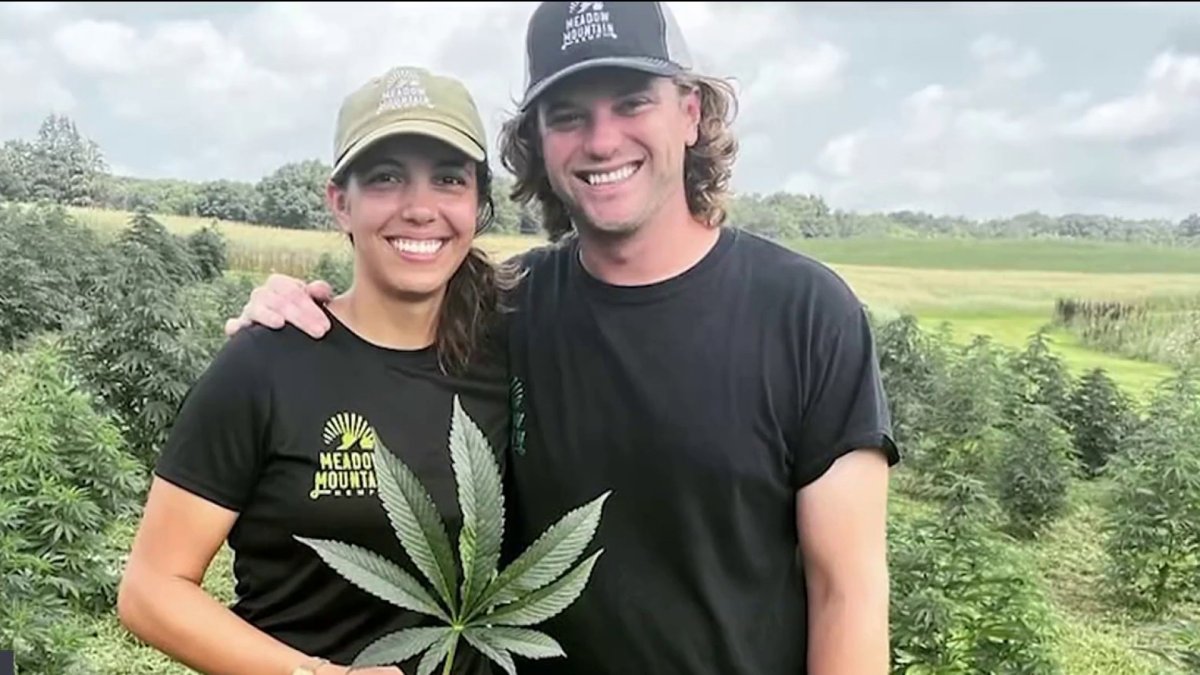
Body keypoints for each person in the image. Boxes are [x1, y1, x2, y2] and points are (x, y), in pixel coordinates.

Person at [225, 2, 901, 673]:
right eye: (569, 115)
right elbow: (375, 332)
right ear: (538, 142)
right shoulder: (504, 307)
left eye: (632, 102)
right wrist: (282, 322)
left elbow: (847, 591)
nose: (602, 141)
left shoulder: (807, 315)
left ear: (690, 112)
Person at [118, 64, 516, 675]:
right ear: (340, 203)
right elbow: (151, 589)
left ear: (478, 203)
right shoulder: (265, 363)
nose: (419, 208)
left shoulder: (512, 355)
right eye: (385, 179)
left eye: (448, 180)